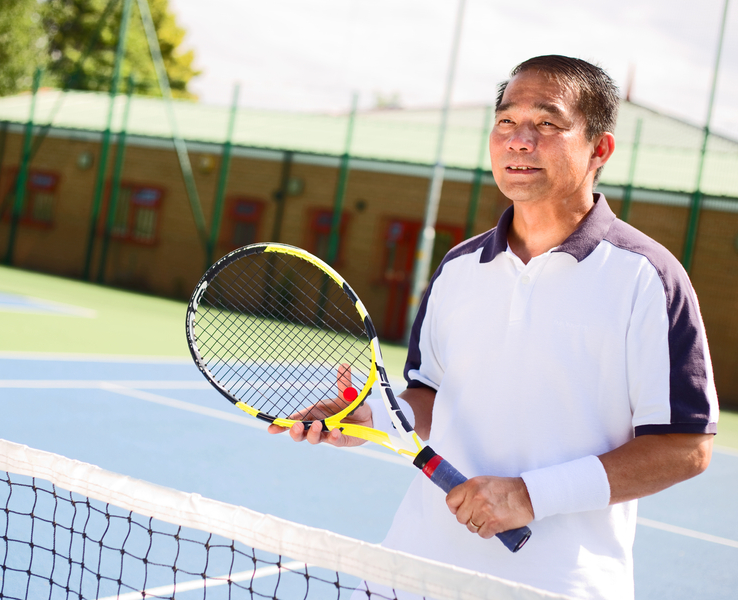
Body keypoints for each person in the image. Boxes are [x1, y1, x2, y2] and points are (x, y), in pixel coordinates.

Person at [269, 55, 719, 600]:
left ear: (599, 149)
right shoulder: (458, 268)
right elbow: (429, 398)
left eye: (547, 124)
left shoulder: (649, 278)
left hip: (558, 586)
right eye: (506, 121)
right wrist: (369, 418)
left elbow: (686, 446)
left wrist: (531, 495)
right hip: (411, 571)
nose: (519, 141)